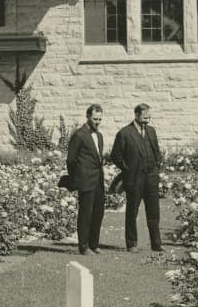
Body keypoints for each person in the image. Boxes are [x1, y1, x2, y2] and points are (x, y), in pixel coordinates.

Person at [111, 103, 164, 252]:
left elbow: (157, 151)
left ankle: (156, 244)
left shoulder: (151, 131)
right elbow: (116, 155)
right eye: (144, 117)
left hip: (151, 178)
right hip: (134, 179)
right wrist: (128, 169)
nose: (147, 121)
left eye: (149, 117)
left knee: (154, 212)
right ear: (136, 115)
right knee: (132, 212)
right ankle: (132, 243)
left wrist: (156, 167)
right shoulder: (124, 133)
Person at [65, 103, 107, 255]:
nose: (97, 122)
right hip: (85, 181)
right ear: (88, 116)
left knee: (98, 213)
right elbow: (70, 160)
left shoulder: (99, 136)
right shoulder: (79, 135)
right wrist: (76, 177)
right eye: (95, 119)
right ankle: (83, 247)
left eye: (100, 119)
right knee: (85, 213)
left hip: (98, 181)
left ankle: (94, 244)